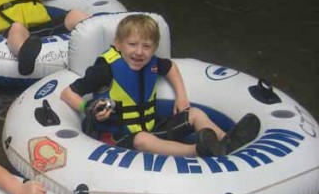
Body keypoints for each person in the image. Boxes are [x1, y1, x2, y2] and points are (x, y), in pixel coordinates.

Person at [60, 14, 261, 156]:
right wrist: (88, 108)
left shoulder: (153, 63)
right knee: (142, 140)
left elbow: (170, 67)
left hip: (151, 125)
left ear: (154, 48)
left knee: (195, 114)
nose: (139, 52)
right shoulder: (104, 70)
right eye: (132, 44)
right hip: (118, 136)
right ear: (118, 44)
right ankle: (198, 150)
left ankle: (226, 141)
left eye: (146, 46)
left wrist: (181, 96)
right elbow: (67, 93)